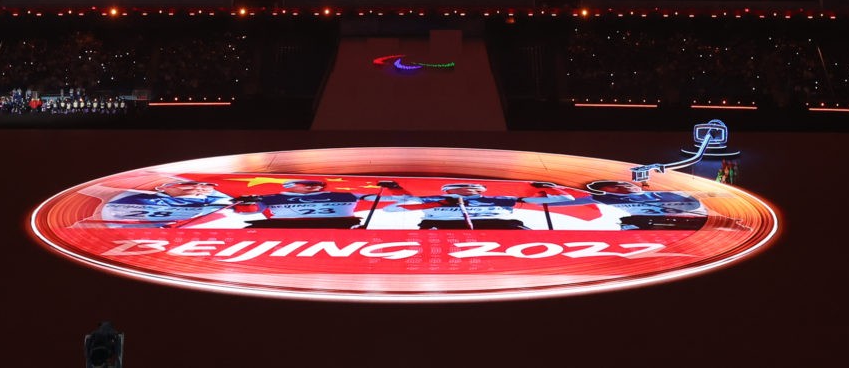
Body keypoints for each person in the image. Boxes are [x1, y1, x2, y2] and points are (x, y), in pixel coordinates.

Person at [383, 181, 581, 230]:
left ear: (482, 190)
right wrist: (438, 203)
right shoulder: (430, 200)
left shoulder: (500, 199)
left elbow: (565, 200)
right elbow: (390, 209)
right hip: (442, 226)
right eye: (459, 187)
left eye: (473, 187)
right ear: (447, 191)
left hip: (499, 226)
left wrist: (550, 187)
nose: (467, 189)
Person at [236, 178, 404, 229]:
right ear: (289, 185)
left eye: (317, 184)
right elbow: (252, 210)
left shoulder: (344, 194)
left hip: (338, 225)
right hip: (285, 226)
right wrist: (244, 203)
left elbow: (377, 198)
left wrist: (395, 192)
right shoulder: (270, 197)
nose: (314, 186)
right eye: (307, 184)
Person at [91, 180, 236, 228]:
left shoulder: (220, 203)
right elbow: (88, 190)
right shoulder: (128, 195)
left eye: (206, 185)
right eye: (189, 184)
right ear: (162, 187)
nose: (198, 187)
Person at [584, 180, 709, 230]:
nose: (623, 187)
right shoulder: (599, 201)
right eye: (615, 187)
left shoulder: (670, 195)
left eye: (626, 184)